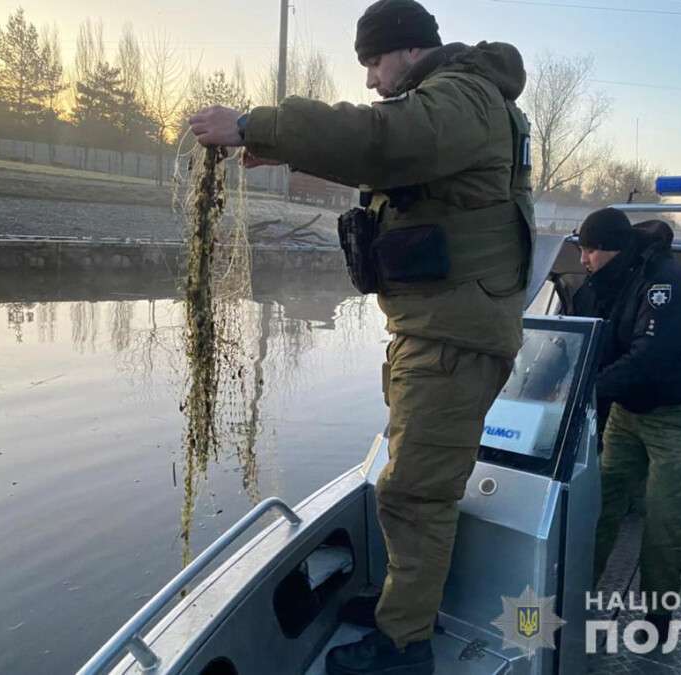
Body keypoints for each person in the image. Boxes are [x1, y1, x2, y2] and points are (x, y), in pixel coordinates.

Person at [188, 1, 534, 672]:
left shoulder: (462, 96)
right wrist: (282, 149)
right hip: (438, 331)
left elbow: (382, 139)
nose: (371, 79)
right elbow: (393, 161)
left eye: (373, 61)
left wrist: (255, 122)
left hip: (452, 339)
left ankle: (404, 646)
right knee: (410, 481)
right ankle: (400, 607)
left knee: (412, 492)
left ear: (407, 49)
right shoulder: (454, 101)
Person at [571, 207, 681, 643]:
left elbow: (649, 358)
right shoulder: (602, 283)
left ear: (614, 249)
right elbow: (587, 337)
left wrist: (585, 391)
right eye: (582, 248)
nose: (584, 259)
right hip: (627, 414)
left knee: (664, 521)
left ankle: (657, 621)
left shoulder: (668, 283)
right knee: (597, 505)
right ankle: (575, 594)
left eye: (591, 250)